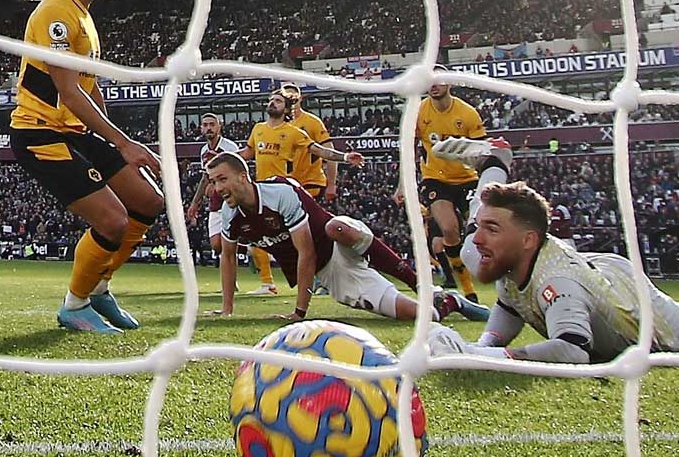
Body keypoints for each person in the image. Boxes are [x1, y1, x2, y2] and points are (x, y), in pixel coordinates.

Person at [428, 182, 679, 363]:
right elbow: (511, 306)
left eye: (490, 229)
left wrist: (488, 358)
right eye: (478, 227)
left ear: (527, 239)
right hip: (600, 274)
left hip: (640, 315)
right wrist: (482, 345)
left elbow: (574, 351)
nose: (476, 238)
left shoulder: (557, 282)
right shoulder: (514, 255)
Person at [8, 0, 165, 333]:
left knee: (147, 200)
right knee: (113, 221)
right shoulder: (55, 13)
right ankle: (74, 305)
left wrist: (115, 143)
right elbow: (68, 90)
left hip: (75, 132)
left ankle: (99, 288)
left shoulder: (84, 17)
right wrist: (125, 143)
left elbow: (90, 88)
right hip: (41, 134)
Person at [205, 152, 487, 323]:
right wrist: (226, 309)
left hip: (335, 240)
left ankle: (419, 284)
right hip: (330, 271)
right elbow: (227, 258)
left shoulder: (280, 194)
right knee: (421, 317)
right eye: (214, 182)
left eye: (222, 179)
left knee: (335, 227)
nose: (217, 188)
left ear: (243, 177)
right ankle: (451, 302)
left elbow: (306, 252)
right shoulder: (231, 215)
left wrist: (299, 312)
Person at [239, 92, 365, 296]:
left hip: (283, 192)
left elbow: (319, 150)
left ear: (287, 109)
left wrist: (344, 157)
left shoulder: (293, 132)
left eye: (278, 100)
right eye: (271, 99)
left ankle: (320, 279)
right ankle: (267, 283)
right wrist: (223, 158)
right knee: (259, 239)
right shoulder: (258, 129)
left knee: (300, 240)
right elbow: (247, 153)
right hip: (261, 190)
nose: (273, 102)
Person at [394, 74, 506, 303]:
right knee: (449, 230)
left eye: (438, 80)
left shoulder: (467, 113)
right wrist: (402, 184)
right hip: (435, 178)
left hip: (467, 179)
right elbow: (409, 149)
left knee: (481, 226)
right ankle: (468, 291)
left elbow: (483, 150)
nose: (433, 85)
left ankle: (501, 278)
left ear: (449, 83)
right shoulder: (418, 111)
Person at [186, 113, 241, 275]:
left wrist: (217, 183)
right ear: (201, 128)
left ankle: (232, 278)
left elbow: (236, 174)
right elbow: (205, 178)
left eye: (212, 124)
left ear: (219, 126)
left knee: (228, 242)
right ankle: (249, 251)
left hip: (231, 200)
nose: (208, 128)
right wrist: (195, 203)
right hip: (215, 202)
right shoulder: (204, 150)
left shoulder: (230, 147)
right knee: (216, 244)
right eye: (205, 125)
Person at [277, 83, 337, 202]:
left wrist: (331, 184)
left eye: (294, 98)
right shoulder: (278, 124)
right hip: (287, 184)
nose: (292, 101)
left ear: (300, 98)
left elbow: (330, 151)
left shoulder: (312, 122)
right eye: (287, 98)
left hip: (311, 182)